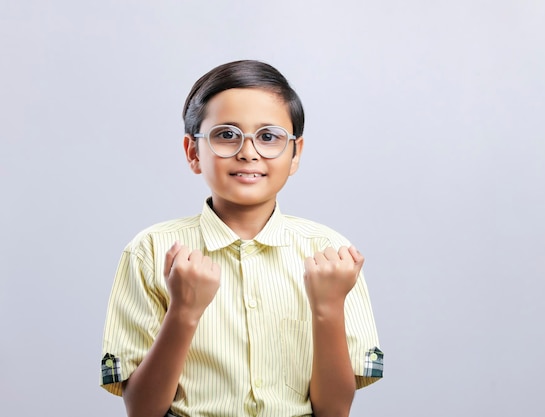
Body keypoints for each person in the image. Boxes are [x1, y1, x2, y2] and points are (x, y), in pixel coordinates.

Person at [100, 60, 383, 417]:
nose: (248, 152)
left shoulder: (333, 256)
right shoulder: (150, 252)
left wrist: (327, 307)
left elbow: (334, 410)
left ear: (295, 153)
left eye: (268, 137)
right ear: (193, 152)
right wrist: (184, 311)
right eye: (226, 135)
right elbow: (142, 410)